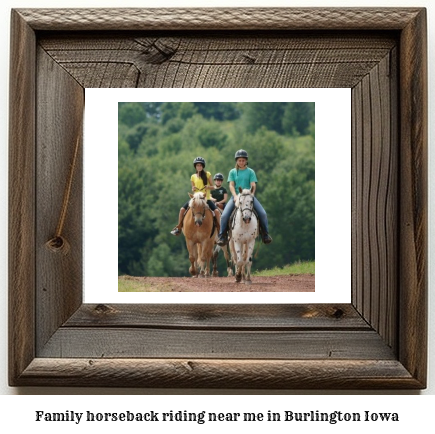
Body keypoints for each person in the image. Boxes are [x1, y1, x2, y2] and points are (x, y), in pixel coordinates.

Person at [216, 149, 272, 245]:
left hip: (249, 197)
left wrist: (251, 195)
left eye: (243, 160)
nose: (241, 162)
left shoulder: (251, 172)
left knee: (263, 213)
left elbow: (253, 185)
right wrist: (234, 196)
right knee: (224, 215)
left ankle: (265, 234)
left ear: (246, 161)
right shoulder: (232, 172)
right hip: (236, 197)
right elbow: (231, 185)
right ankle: (222, 236)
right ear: (236, 161)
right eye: (239, 160)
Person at [170, 157, 220, 236]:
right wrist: (193, 188)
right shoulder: (193, 176)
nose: (199, 167)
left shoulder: (208, 174)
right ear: (195, 167)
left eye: (200, 165)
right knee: (182, 210)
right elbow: (193, 189)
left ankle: (220, 229)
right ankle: (178, 228)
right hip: (195, 198)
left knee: (217, 211)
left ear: (203, 166)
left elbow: (214, 187)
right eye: (197, 165)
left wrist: (208, 187)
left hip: (205, 198)